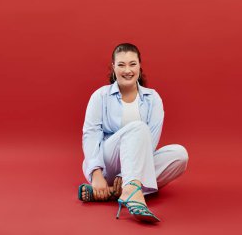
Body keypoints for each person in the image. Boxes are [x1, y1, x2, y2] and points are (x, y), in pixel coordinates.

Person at [78, 43, 189, 223]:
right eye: (121, 65)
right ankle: (133, 194)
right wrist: (96, 174)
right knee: (139, 127)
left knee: (180, 155)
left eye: (132, 64)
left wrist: (127, 176)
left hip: (133, 169)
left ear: (140, 66)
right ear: (113, 67)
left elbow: (150, 144)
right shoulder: (100, 96)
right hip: (107, 164)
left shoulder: (153, 98)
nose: (127, 70)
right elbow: (90, 135)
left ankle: (117, 191)